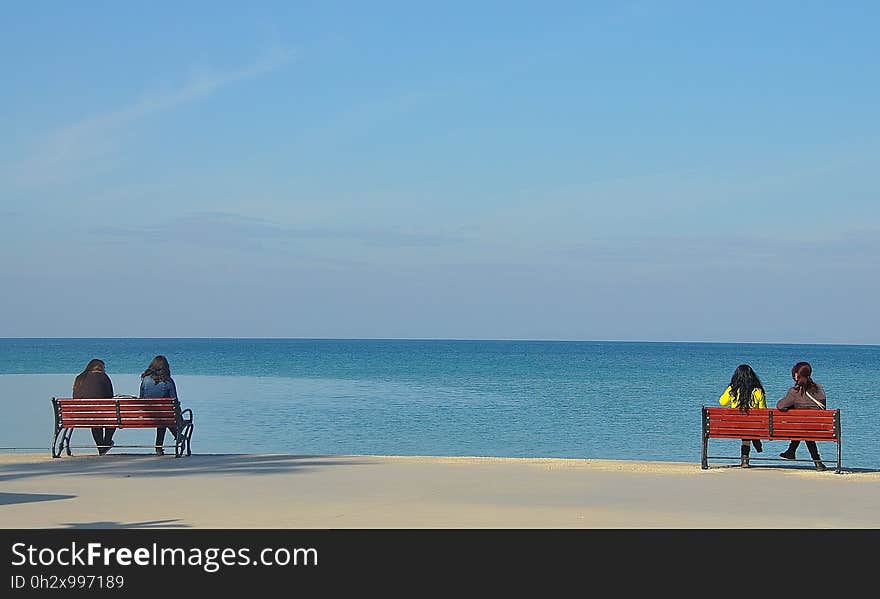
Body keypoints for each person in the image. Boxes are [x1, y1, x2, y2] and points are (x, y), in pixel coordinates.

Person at [777, 361, 827, 471]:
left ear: (796, 375)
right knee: (805, 427)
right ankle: (816, 461)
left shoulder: (795, 392)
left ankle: (791, 451)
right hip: (820, 428)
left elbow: (780, 406)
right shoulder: (819, 389)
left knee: (802, 427)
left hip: (801, 428)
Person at [719, 364, 766, 468]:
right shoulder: (758, 391)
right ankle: (753, 444)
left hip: (735, 426)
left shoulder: (732, 389)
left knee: (745, 429)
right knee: (749, 429)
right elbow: (763, 411)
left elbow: (722, 402)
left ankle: (746, 457)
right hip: (753, 426)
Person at [72, 358, 115, 455]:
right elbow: (110, 397)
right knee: (114, 418)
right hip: (98, 414)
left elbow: (75, 396)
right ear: (101, 368)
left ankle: (101, 446)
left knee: (95, 420)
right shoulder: (103, 377)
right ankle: (105, 444)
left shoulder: (79, 378)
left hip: (80, 415)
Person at [138, 355, 178, 456]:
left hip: (148, 416)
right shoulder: (168, 381)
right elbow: (174, 401)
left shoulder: (145, 380)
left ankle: (160, 447)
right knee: (164, 416)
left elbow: (141, 398)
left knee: (162, 417)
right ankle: (175, 437)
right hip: (163, 416)